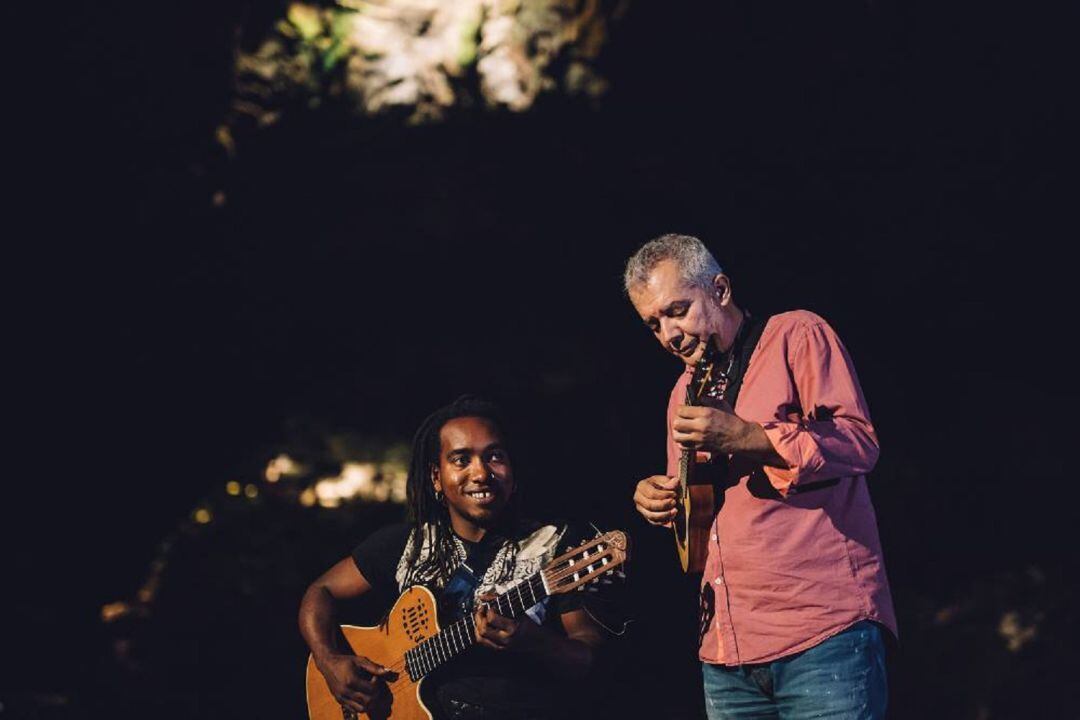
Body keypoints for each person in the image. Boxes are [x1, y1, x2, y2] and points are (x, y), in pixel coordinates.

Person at [626, 234, 896, 719]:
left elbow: (859, 443)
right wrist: (661, 502)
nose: (669, 334)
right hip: (726, 652)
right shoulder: (680, 394)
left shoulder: (796, 335)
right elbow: (696, 521)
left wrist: (747, 437)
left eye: (678, 310)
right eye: (654, 324)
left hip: (821, 633)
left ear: (721, 290)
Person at [299, 396, 615, 720]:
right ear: (436, 477)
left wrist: (534, 641)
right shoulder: (405, 543)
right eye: (461, 460)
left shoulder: (555, 545)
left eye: (494, 456)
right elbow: (319, 591)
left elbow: (587, 656)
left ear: (512, 470)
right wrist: (329, 661)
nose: (480, 473)